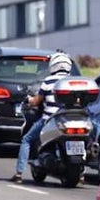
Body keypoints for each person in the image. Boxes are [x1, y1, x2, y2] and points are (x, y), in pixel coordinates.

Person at [13, 52, 74, 182]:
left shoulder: (48, 81)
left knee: (26, 139)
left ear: (54, 65)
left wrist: (28, 100)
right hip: (69, 121)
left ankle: (19, 173)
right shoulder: (72, 80)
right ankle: (81, 174)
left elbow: (36, 102)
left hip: (49, 120)